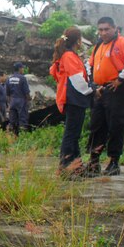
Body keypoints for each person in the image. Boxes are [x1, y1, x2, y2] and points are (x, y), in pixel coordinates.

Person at [84, 17, 124, 177]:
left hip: (116, 90)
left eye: (106, 29)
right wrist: (93, 85)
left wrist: (121, 78)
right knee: (96, 125)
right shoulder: (98, 46)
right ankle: (94, 161)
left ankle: (113, 162)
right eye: (101, 29)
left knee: (116, 126)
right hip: (100, 90)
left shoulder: (122, 43)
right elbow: (90, 65)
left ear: (114, 28)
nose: (103, 32)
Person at [49, 27, 93, 178]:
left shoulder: (66, 56)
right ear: (78, 41)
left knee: (74, 134)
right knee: (71, 134)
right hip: (74, 98)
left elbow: (54, 72)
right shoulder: (69, 56)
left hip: (73, 98)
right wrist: (90, 90)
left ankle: (76, 167)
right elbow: (77, 79)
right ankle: (65, 167)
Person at [6, 62, 30, 135]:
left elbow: (7, 93)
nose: (23, 69)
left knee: (12, 120)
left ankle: (12, 136)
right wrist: (29, 100)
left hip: (12, 101)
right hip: (21, 101)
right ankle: (22, 136)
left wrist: (9, 104)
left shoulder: (9, 79)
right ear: (19, 69)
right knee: (23, 119)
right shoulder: (22, 78)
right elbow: (26, 93)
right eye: (22, 68)